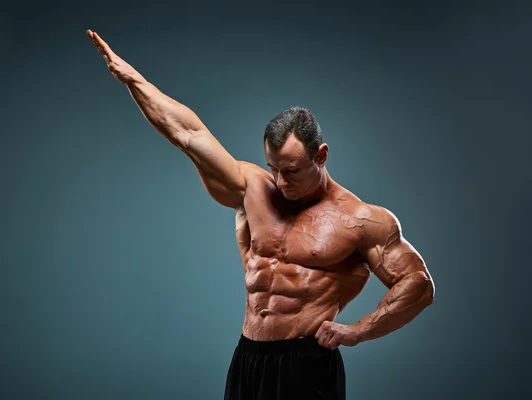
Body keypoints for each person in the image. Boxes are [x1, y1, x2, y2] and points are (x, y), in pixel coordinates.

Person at [86, 29, 435, 400]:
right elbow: (188, 133)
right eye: (274, 168)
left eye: (292, 171)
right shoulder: (253, 188)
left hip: (306, 363)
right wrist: (135, 81)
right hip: (249, 356)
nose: (281, 181)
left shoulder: (362, 220)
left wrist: (360, 330)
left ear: (321, 156)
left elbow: (418, 285)